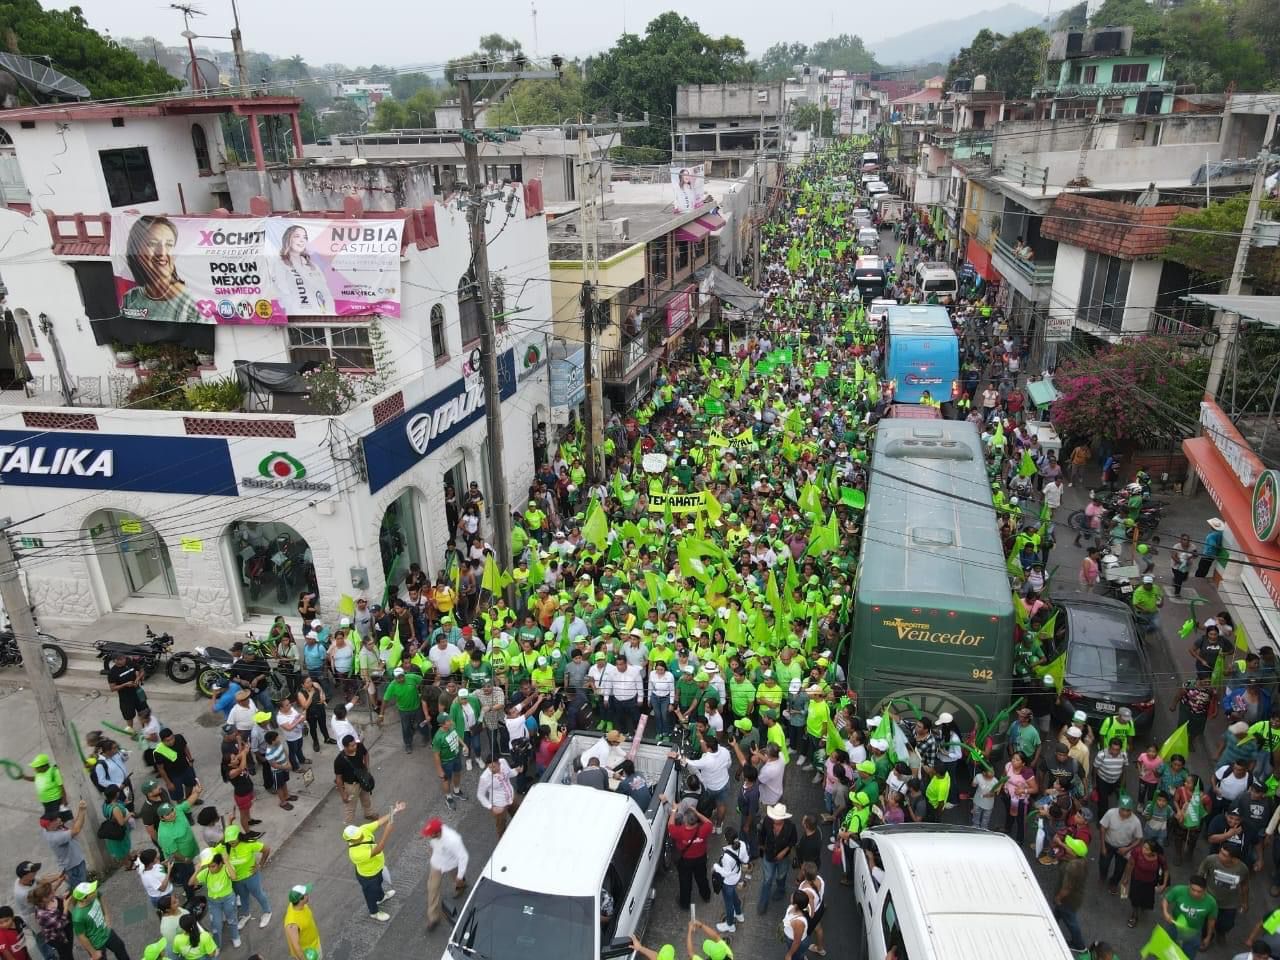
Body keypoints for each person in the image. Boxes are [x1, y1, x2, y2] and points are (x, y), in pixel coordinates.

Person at [120, 216, 203, 324]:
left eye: (169, 244)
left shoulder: (192, 302)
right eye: (153, 244)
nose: (162, 252)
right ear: (136, 251)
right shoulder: (130, 298)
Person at [343, 801, 406, 922]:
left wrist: (395, 811)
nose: (360, 835)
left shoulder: (361, 830)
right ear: (351, 840)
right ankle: (374, 912)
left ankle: (381, 897)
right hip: (368, 875)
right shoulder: (355, 853)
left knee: (379, 884)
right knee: (370, 894)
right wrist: (387, 832)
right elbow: (378, 849)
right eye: (357, 837)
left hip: (377, 867)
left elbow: (380, 822)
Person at [268, 225, 329, 314]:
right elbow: (282, 292)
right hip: (295, 314)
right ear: (288, 239)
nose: (302, 240)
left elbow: (325, 291)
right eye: (297, 236)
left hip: (319, 314)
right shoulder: (279, 263)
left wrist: (327, 310)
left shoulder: (312, 265)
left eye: (305, 237)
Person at [422, 817, 469, 932]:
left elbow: (463, 857)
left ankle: (461, 885)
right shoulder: (434, 835)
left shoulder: (453, 840)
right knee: (432, 889)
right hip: (437, 865)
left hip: (451, 864)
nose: (429, 836)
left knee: (458, 880)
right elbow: (432, 845)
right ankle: (433, 918)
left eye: (430, 834)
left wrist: (459, 875)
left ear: (438, 832)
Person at [665, 802, 713, 910]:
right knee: (702, 878)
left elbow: (670, 825)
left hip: (685, 860)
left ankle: (685, 903)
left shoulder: (680, 831)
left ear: (685, 821)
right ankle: (706, 896)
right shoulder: (704, 829)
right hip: (700, 859)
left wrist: (674, 810)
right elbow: (708, 822)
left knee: (685, 882)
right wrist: (696, 812)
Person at [191, 849, 240, 949]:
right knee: (216, 925)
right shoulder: (206, 872)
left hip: (228, 899)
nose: (210, 869)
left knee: (232, 919)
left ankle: (235, 937)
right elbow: (191, 883)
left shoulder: (226, 868)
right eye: (208, 866)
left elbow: (234, 877)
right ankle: (217, 945)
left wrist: (227, 861)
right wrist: (197, 870)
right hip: (214, 903)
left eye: (213, 866)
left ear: (220, 864)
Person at [225, 825, 272, 929]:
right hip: (237, 880)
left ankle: (267, 912)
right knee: (243, 897)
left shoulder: (249, 844)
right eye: (229, 841)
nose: (231, 843)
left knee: (258, 894)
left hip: (251, 876)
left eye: (233, 840)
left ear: (239, 836)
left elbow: (267, 849)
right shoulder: (226, 847)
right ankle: (246, 915)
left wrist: (260, 865)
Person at [69, 882, 131, 960]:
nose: (95, 891)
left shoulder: (95, 894)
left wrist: (107, 920)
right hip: (96, 944)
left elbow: (103, 902)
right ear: (84, 898)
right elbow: (81, 937)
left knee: (120, 947)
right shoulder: (78, 916)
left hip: (106, 932)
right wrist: (93, 952)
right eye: (91, 892)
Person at [756, 802, 798, 914]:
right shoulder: (767, 821)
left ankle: (781, 890)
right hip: (768, 855)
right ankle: (763, 903)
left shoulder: (790, 827)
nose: (774, 820)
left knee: (781, 875)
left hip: (783, 858)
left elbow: (793, 841)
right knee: (767, 879)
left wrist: (784, 852)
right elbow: (761, 834)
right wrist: (762, 846)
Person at [1163, 875, 1218, 958]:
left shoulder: (1211, 902)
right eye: (1193, 890)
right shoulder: (1178, 890)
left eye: (1199, 891)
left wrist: (1208, 936)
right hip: (1175, 926)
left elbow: (1211, 920)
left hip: (1194, 932)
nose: (1195, 893)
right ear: (1189, 886)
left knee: (1188, 955)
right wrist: (1166, 913)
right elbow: (1166, 899)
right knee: (1168, 949)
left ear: (1205, 890)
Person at [1097, 796, 1143, 892]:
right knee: (1103, 864)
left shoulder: (1136, 822)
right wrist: (1103, 846)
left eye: (1128, 810)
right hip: (1109, 844)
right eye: (1123, 809)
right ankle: (1103, 876)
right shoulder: (1110, 813)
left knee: (1120, 869)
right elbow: (1103, 828)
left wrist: (1128, 849)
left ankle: (1113, 883)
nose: (1125, 813)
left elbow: (1139, 839)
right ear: (1119, 807)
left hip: (1124, 848)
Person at [40, 802, 88, 889]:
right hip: (74, 868)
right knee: (82, 891)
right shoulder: (56, 837)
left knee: (81, 888)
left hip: (74, 864)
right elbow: (76, 830)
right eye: (55, 819)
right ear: (49, 825)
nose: (59, 819)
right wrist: (82, 811)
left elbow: (73, 828)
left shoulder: (48, 829)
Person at [1053, 835, 1089, 952]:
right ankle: (1051, 927)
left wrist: (1058, 898)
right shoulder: (1081, 859)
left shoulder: (1073, 867)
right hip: (1075, 897)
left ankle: (1079, 945)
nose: (1067, 846)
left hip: (1068, 900)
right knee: (1057, 914)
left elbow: (1067, 888)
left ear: (1073, 853)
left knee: (1071, 921)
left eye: (1069, 846)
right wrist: (1060, 843)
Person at [1121, 838, 1167, 929]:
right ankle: (1134, 915)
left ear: (1153, 851)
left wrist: (1164, 884)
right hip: (1137, 880)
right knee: (1135, 898)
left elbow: (1166, 870)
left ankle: (1143, 906)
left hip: (1150, 883)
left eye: (1147, 849)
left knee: (1146, 899)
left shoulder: (1159, 857)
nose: (1143, 850)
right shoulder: (1137, 852)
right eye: (1143, 847)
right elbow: (1130, 864)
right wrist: (1126, 878)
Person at [711, 826, 747, 933]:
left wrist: (716, 867)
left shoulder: (727, 856)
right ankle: (739, 914)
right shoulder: (743, 844)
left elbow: (726, 873)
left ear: (726, 839)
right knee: (734, 896)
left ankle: (730, 925)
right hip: (737, 876)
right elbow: (745, 859)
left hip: (728, 882)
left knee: (728, 904)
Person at [333, 735, 376, 824]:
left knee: (366, 799)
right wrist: (343, 794)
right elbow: (338, 778)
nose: (355, 746)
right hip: (351, 786)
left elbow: (366, 753)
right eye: (352, 746)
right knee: (350, 807)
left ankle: (368, 814)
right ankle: (349, 825)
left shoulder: (359, 746)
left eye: (354, 744)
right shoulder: (339, 760)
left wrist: (367, 767)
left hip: (363, 780)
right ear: (345, 747)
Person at [476, 757, 519, 838]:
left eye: (494, 767)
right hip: (499, 805)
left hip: (512, 797)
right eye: (489, 767)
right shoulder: (485, 777)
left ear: (499, 763)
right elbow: (480, 795)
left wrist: (516, 771)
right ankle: (503, 844)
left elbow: (509, 773)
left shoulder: (503, 761)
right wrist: (491, 807)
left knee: (518, 816)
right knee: (501, 827)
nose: (491, 769)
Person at [283, 885, 321, 960]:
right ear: (301, 899)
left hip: (315, 943)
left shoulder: (296, 905)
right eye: (306, 894)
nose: (308, 894)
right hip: (310, 953)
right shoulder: (293, 924)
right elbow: (296, 946)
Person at [781, 889, 811, 960]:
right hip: (791, 939)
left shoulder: (798, 922)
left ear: (796, 904)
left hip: (796, 943)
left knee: (795, 957)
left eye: (793, 896)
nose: (791, 895)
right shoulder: (793, 907)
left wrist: (789, 954)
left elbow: (797, 941)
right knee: (797, 955)